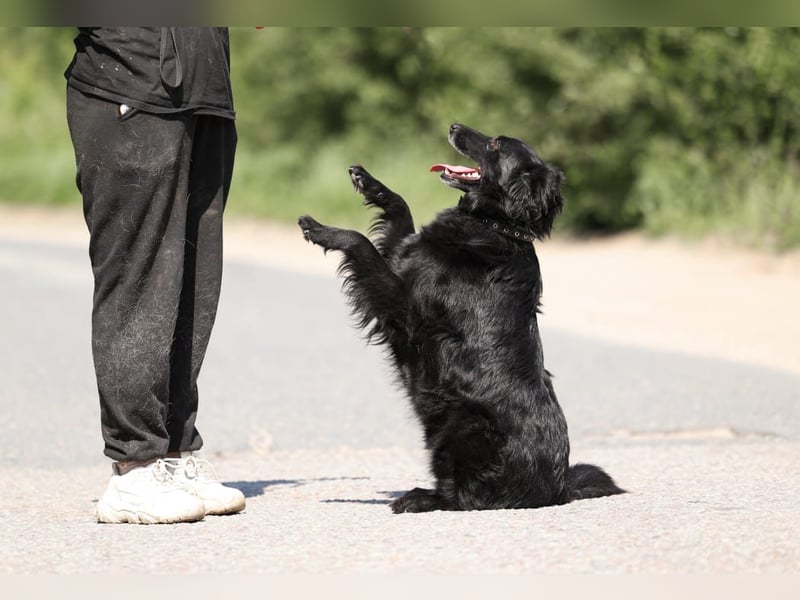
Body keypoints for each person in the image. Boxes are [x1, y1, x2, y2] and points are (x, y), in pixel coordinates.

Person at [65, 27, 245, 524]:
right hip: (131, 82)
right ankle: (134, 466)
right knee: (139, 278)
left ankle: (172, 452)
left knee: (194, 283)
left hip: (206, 92)